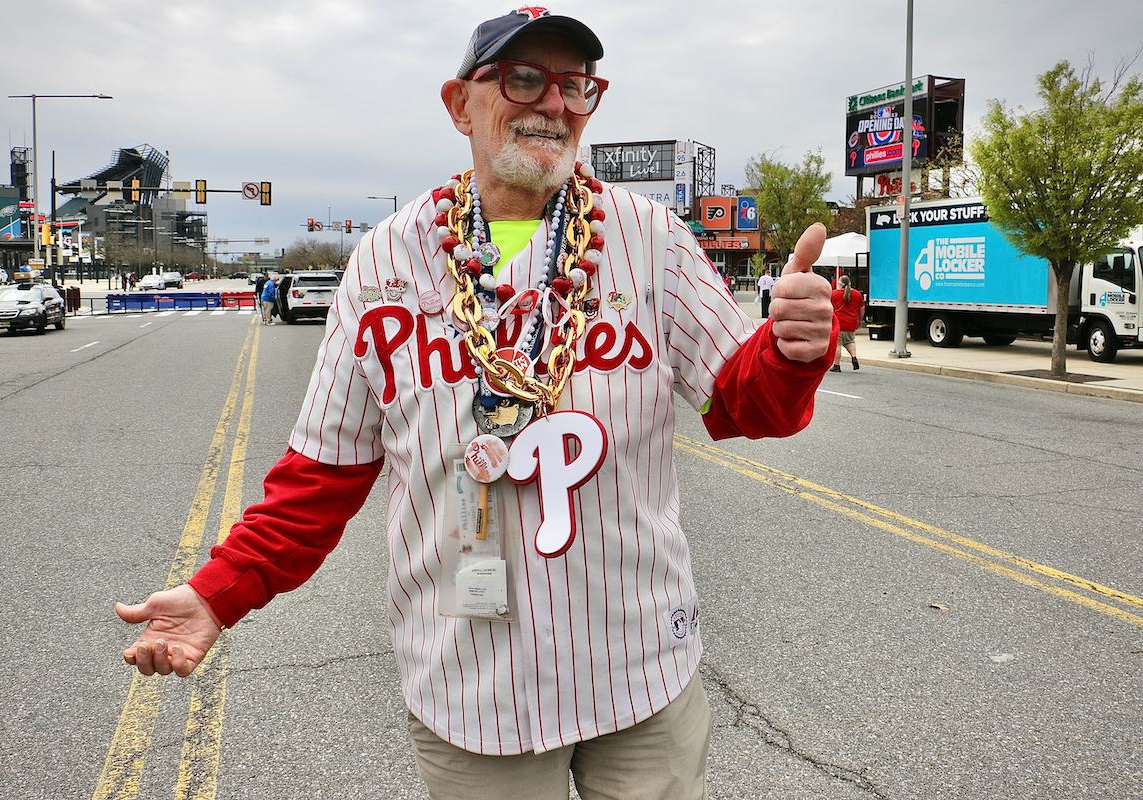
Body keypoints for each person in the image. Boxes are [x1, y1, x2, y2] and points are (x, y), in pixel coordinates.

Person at [114, 8, 836, 799]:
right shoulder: (387, 260)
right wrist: (219, 592)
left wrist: (793, 349)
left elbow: (746, 402)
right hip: (474, 693)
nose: (554, 103)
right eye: (524, 78)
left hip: (640, 676)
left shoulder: (649, 238)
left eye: (576, 85)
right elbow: (318, 479)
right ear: (460, 104)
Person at [829, 274, 865, 372]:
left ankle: (836, 365)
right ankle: (853, 357)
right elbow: (862, 309)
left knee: (837, 344)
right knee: (850, 342)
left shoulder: (834, 294)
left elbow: (828, 308)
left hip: (838, 323)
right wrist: (859, 320)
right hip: (851, 323)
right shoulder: (857, 294)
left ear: (840, 284)